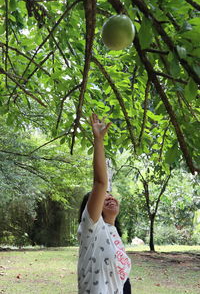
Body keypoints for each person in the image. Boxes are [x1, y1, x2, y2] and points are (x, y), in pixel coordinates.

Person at [77, 113, 132, 294]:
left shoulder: (112, 232)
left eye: (110, 195)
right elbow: (100, 182)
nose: (108, 197)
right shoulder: (91, 229)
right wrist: (98, 140)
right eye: (103, 197)